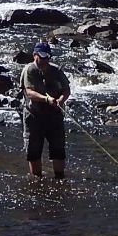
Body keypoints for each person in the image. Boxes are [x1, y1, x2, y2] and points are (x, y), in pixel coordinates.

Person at [20, 40, 71, 180]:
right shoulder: (29, 70)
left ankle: (60, 178)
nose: (45, 60)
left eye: (47, 57)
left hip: (54, 116)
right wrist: (46, 99)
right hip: (34, 116)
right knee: (33, 151)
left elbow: (66, 89)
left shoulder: (56, 70)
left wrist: (61, 99)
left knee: (58, 150)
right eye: (42, 57)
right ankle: (36, 179)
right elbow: (29, 92)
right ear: (34, 55)